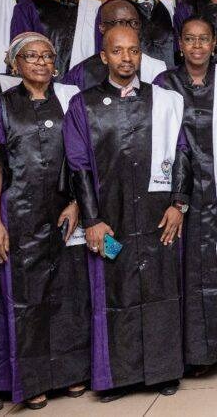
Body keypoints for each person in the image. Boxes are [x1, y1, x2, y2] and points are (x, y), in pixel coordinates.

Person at [62, 25, 187, 401]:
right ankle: (119, 376)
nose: (126, 58)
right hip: (109, 217)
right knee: (115, 291)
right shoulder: (83, 105)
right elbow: (78, 164)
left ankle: (163, 371)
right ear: (104, 57)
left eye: (133, 51)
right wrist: (91, 219)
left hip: (156, 215)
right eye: (117, 51)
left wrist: (178, 203)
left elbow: (182, 152)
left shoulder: (164, 99)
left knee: (160, 289)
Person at [0, 33, 89, 409]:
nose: (41, 62)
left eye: (47, 56)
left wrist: (77, 203)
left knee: (70, 291)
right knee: (27, 297)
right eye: (31, 56)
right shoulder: (0, 106)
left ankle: (72, 372)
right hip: (20, 213)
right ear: (15, 64)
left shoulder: (72, 98)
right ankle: (35, 379)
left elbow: (83, 157)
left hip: (65, 212)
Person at [153, 18, 217, 375]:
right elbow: (162, 139)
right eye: (190, 39)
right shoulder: (165, 83)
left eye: (204, 39)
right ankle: (192, 349)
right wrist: (176, 198)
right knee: (188, 270)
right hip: (182, 188)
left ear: (215, 44)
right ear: (180, 44)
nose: (196, 46)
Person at [10, 0, 101, 75]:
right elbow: (21, 56)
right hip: (43, 86)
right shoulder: (27, 9)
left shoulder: (96, 9)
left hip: (86, 85)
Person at [65, 0, 167, 90]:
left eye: (134, 23)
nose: (127, 29)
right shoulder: (81, 73)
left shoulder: (156, 69)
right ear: (102, 28)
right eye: (119, 22)